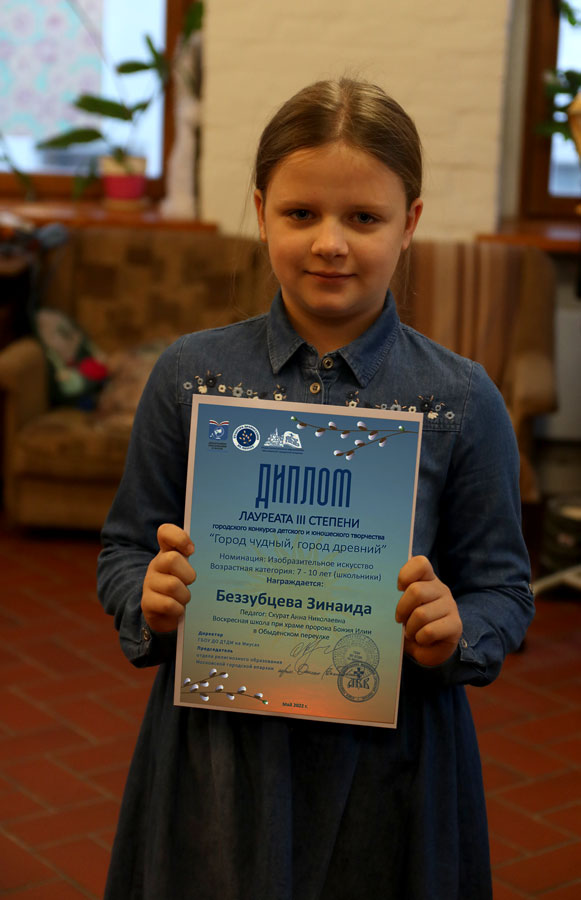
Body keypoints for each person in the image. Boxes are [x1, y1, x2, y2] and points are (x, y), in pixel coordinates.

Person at [97, 78, 534, 900]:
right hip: (219, 752)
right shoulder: (190, 376)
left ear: (408, 222)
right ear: (261, 212)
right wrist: (146, 596)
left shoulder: (459, 398)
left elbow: (503, 590)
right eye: (301, 213)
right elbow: (124, 547)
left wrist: (455, 629)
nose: (330, 243)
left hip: (392, 757)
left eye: (363, 218)